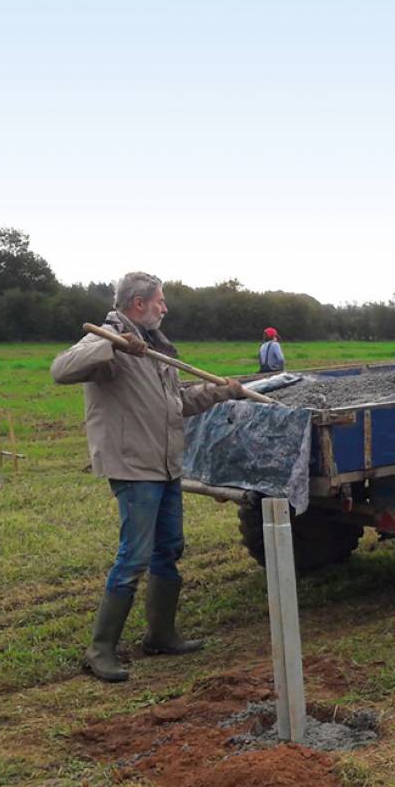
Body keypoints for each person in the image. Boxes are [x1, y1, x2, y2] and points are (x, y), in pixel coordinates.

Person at [51, 271, 248, 682]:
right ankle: (100, 650)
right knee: (133, 557)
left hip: (165, 465)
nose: (165, 307)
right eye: (159, 301)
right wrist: (115, 346)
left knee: (169, 548)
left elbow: (178, 404)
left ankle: (161, 635)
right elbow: (61, 369)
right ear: (138, 304)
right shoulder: (109, 338)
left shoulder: (158, 347)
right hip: (134, 466)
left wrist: (223, 391)